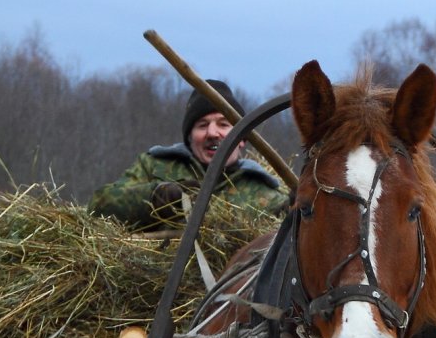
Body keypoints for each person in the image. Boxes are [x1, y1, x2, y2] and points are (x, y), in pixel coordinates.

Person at [88, 80, 289, 230]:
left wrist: (297, 211)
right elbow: (99, 206)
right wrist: (158, 197)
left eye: (223, 124)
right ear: (189, 137)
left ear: (243, 139)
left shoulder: (265, 192)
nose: (212, 133)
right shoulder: (155, 166)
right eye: (202, 125)